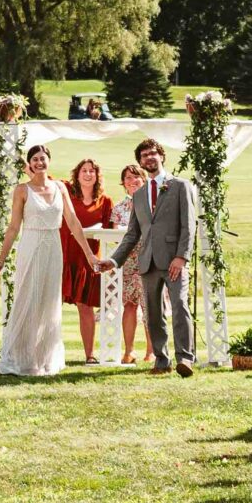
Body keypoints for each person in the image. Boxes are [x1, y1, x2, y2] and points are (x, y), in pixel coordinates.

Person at [0, 143, 107, 376]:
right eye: (35, 159)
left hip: (53, 249)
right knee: (29, 300)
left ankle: (44, 359)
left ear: (49, 161)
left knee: (49, 303)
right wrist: (0, 259)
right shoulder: (22, 190)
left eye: (43, 158)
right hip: (31, 246)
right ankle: (21, 358)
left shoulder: (60, 187)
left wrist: (89, 255)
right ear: (29, 164)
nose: (39, 162)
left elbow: (72, 222)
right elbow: (12, 228)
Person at [113, 137, 199, 378]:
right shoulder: (139, 195)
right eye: (143, 156)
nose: (149, 158)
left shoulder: (180, 186)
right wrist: (113, 260)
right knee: (152, 312)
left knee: (180, 306)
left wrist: (181, 257)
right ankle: (162, 360)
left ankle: (185, 359)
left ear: (161, 156)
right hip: (147, 261)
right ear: (140, 161)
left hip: (174, 261)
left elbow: (188, 226)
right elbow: (132, 234)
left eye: (152, 153)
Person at [61, 157, 117, 364]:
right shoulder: (66, 193)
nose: (87, 174)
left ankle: (90, 355)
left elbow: (111, 234)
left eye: (92, 171)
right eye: (84, 170)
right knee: (48, 306)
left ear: (97, 176)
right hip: (65, 258)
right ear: (77, 174)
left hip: (89, 261)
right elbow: (40, 175)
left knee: (86, 308)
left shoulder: (106, 201)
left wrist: (110, 264)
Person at [114, 162, 148, 364]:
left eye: (136, 176)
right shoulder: (118, 208)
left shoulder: (152, 204)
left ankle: (151, 351)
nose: (132, 180)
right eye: (127, 177)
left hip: (148, 260)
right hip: (127, 264)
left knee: (150, 307)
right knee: (129, 306)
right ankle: (129, 351)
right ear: (123, 183)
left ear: (143, 179)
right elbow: (118, 236)